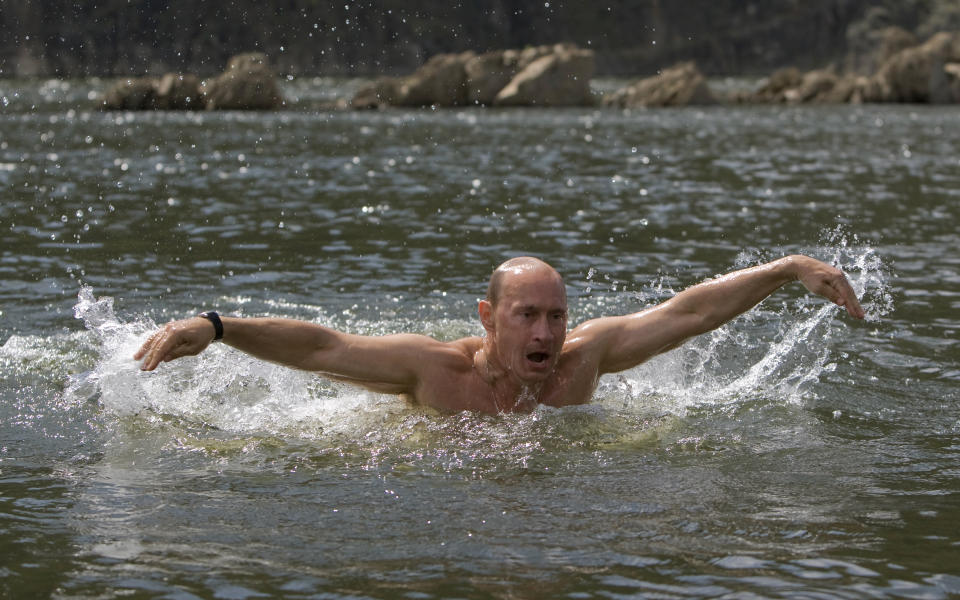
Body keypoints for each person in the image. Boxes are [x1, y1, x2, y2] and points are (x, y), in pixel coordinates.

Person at [134, 255, 865, 414]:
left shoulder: (585, 362)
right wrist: (218, 326)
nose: (547, 331)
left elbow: (687, 313)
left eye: (556, 315)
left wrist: (789, 268)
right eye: (528, 315)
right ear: (488, 320)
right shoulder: (433, 371)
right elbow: (323, 347)